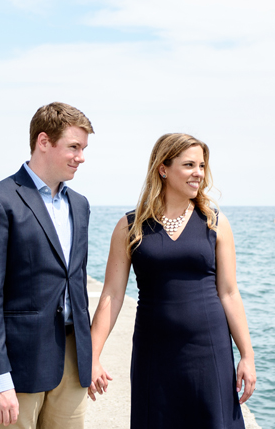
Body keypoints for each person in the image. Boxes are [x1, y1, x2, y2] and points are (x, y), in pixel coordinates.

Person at [89, 133, 256, 428]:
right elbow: (112, 296)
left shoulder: (215, 222)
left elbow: (229, 293)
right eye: (189, 165)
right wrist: (92, 355)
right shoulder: (131, 226)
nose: (199, 173)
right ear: (163, 169)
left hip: (209, 348)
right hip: (154, 350)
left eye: (202, 166)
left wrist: (247, 355)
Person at [0, 102, 95, 428]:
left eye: (83, 148)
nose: (81, 156)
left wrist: (90, 357)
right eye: (73, 147)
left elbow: (75, 284)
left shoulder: (79, 205)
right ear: (43, 141)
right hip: (18, 362)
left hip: (72, 358)